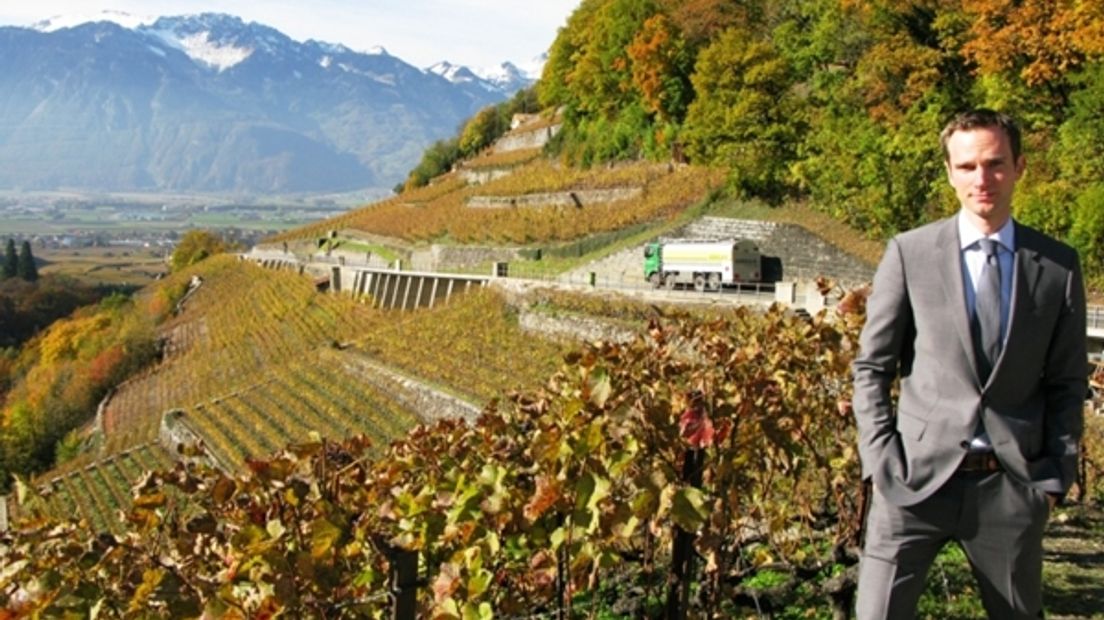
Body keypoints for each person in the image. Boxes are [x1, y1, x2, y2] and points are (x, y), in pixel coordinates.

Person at [851, 108, 1088, 618]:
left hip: (1011, 486)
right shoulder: (909, 253)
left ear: (1019, 166)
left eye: (995, 164)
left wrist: (1052, 478)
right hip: (913, 484)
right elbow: (872, 367)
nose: (982, 179)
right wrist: (881, 462)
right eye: (967, 167)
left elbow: (1069, 383)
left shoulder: (1058, 267)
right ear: (949, 172)